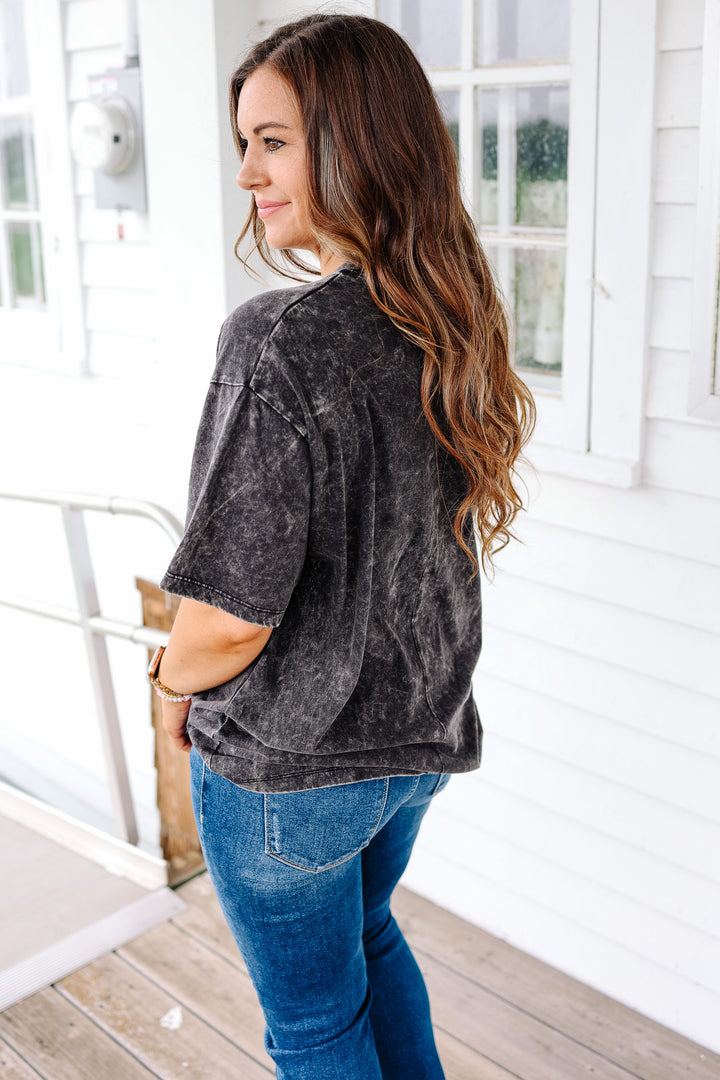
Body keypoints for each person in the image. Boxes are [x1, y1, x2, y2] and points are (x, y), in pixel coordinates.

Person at [150, 13, 534, 1080]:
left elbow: (231, 615)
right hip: (414, 748)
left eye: (272, 142)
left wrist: (168, 682)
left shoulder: (279, 339)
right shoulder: (451, 314)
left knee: (316, 1024)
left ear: (356, 142)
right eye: (245, 143)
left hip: (293, 772)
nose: (246, 174)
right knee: (369, 938)